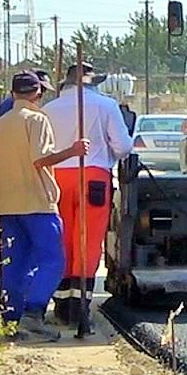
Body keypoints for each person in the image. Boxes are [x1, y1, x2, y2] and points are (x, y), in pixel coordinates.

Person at [0, 71, 89, 341]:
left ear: (13, 93)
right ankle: (33, 311)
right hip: (37, 203)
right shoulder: (37, 120)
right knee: (53, 260)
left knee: (13, 265)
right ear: (38, 93)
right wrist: (73, 151)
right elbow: (40, 159)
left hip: (8, 207)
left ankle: (10, 322)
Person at [42, 61, 134, 323]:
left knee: (62, 240)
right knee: (88, 241)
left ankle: (61, 306)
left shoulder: (49, 109)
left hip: (57, 177)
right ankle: (80, 306)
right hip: (93, 176)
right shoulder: (106, 106)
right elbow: (123, 147)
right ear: (93, 83)